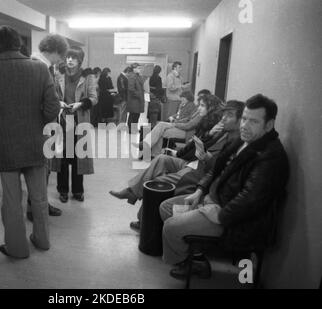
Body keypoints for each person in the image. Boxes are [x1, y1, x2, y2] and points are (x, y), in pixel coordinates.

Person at [160, 94, 289, 279]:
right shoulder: (244, 140)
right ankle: (197, 259)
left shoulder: (271, 157)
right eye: (244, 118)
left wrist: (220, 214)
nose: (244, 125)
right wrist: (200, 190)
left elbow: (250, 200)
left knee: (170, 227)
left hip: (235, 219)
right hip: (213, 200)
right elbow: (216, 169)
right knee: (166, 208)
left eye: (253, 121)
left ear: (268, 125)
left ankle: (190, 263)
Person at [0, 25, 61, 258]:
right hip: (36, 143)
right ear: (19, 43)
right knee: (40, 198)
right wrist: (37, 125)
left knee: (11, 202)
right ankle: (42, 241)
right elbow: (53, 108)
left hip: (6, 145)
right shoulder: (40, 69)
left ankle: (17, 248)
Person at [111, 101, 244, 231]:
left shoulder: (237, 141)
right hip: (194, 162)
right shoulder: (222, 131)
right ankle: (132, 192)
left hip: (198, 170)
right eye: (224, 115)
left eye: (230, 115)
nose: (224, 118)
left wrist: (207, 158)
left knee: (157, 182)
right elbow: (197, 145)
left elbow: (220, 170)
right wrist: (209, 134)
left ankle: (143, 220)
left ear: (239, 120)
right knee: (161, 159)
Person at [28, 33, 70, 220]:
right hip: (42, 126)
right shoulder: (41, 67)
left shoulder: (38, 65)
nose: (61, 60)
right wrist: (56, 104)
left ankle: (38, 204)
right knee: (42, 169)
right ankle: (37, 207)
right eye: (61, 56)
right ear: (54, 51)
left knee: (42, 170)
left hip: (39, 124)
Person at [50, 46, 98, 203]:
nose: (69, 60)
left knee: (78, 157)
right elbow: (52, 95)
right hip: (62, 120)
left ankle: (78, 190)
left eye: (74, 58)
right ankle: (62, 190)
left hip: (79, 120)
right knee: (62, 158)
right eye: (68, 57)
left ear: (80, 61)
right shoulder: (58, 76)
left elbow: (93, 97)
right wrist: (59, 102)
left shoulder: (88, 78)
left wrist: (81, 104)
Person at [136, 94, 223, 157]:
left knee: (161, 127)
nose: (199, 107)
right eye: (199, 104)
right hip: (184, 128)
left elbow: (189, 125)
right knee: (161, 128)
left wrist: (175, 123)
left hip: (187, 133)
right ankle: (153, 154)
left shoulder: (202, 116)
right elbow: (187, 118)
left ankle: (149, 148)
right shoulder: (200, 112)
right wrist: (176, 121)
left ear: (211, 107)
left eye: (202, 105)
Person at [127, 63, 145, 134]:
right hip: (134, 100)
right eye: (138, 68)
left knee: (136, 115)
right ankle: (130, 129)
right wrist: (139, 94)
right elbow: (131, 89)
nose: (140, 70)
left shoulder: (138, 76)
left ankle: (133, 129)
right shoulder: (132, 76)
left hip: (138, 100)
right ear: (134, 69)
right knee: (133, 115)